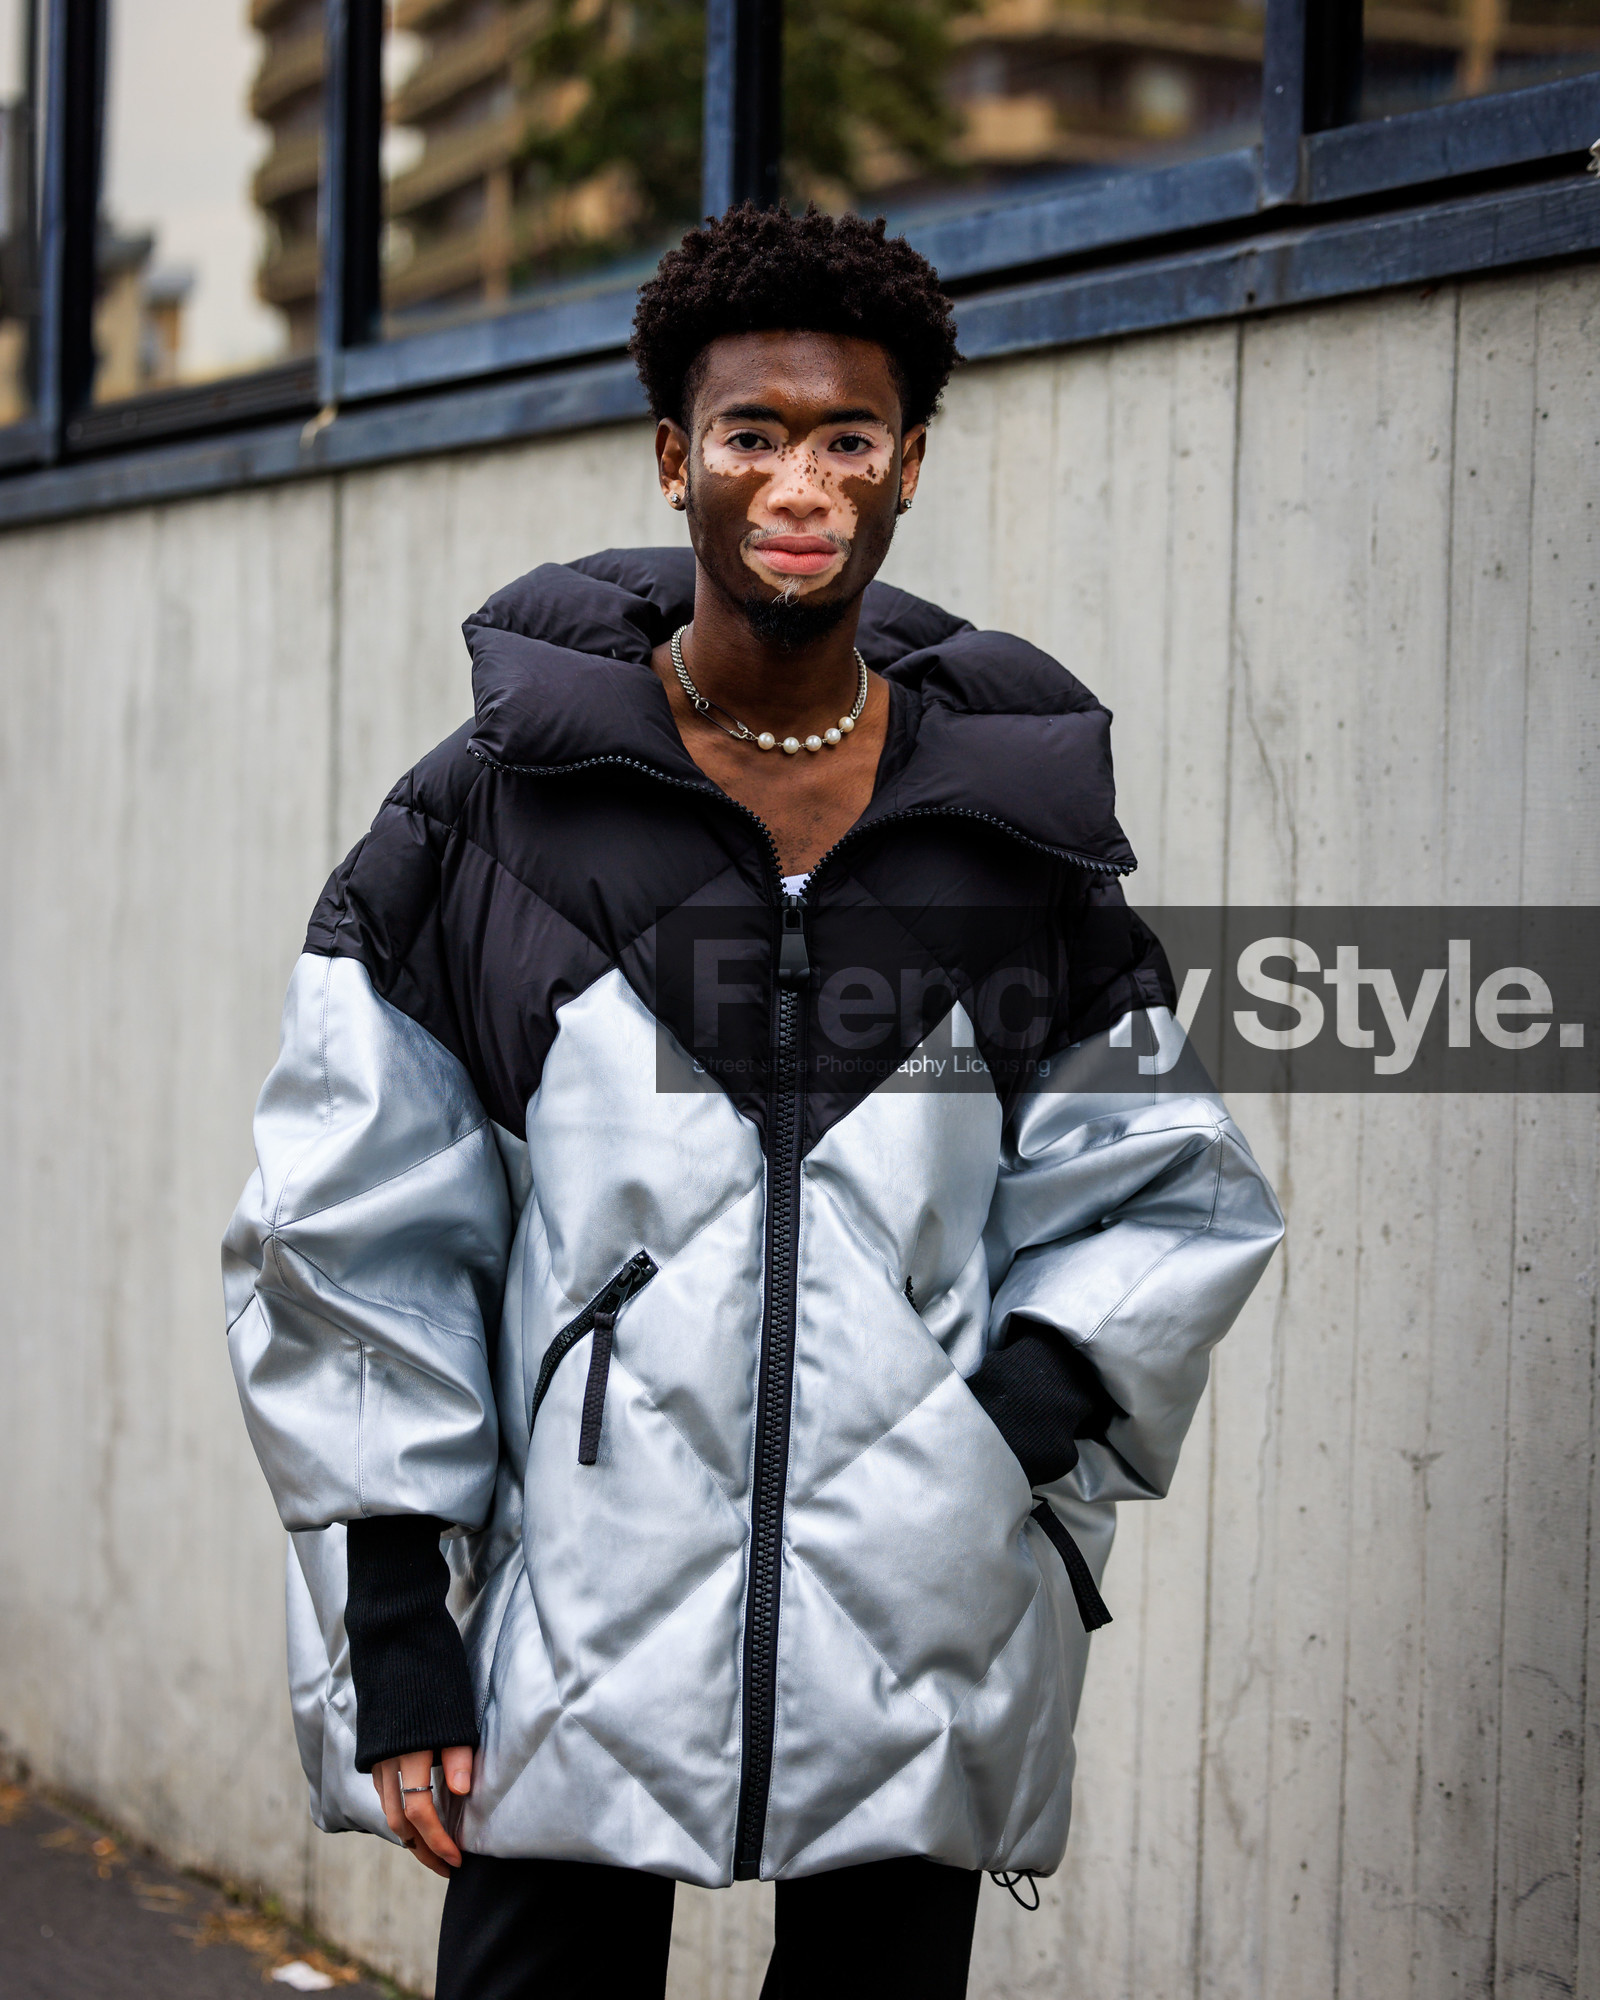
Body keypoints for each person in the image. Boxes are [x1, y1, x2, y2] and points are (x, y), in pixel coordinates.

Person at [224, 203, 1283, 2000]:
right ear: (675, 460)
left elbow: (1160, 1187)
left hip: (921, 1611)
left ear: (909, 468)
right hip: (573, 1614)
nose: (801, 479)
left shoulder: (1010, 837)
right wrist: (397, 1629)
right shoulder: (486, 820)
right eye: (753, 433)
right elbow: (350, 1241)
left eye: (848, 436)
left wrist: (995, 1439)